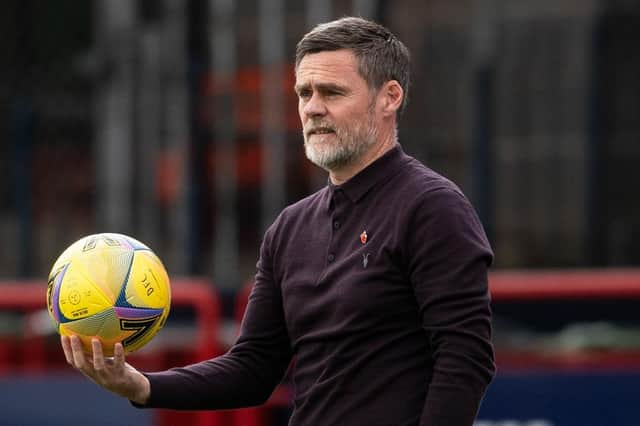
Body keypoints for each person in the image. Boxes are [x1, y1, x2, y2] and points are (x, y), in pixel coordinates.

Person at [62, 16, 495, 426]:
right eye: (304, 93)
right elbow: (253, 367)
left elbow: (465, 357)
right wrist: (141, 385)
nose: (313, 109)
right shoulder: (290, 227)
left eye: (332, 92)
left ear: (390, 97)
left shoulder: (433, 207)